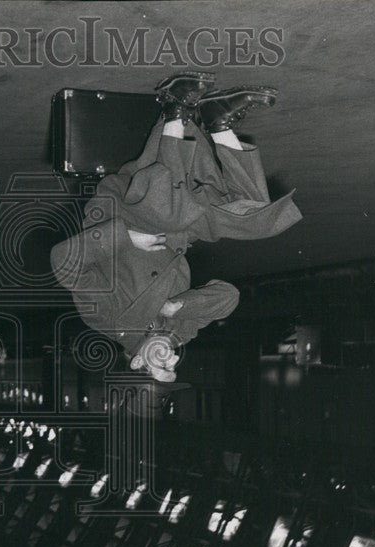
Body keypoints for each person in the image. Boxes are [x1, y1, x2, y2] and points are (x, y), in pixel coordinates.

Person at [51, 73, 302, 382]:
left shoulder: (105, 318)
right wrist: (178, 306)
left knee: (168, 211)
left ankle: (175, 107)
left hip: (124, 212)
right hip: (179, 228)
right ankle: (218, 120)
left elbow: (64, 262)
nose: (169, 360)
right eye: (173, 367)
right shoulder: (181, 330)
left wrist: (127, 238)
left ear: (136, 362)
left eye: (160, 367)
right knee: (259, 218)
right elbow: (228, 297)